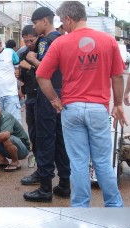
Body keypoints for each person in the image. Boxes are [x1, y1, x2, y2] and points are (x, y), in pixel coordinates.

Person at [36, 1, 126, 207]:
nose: (62, 26)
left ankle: (80, 210)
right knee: (102, 161)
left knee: (78, 162)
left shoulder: (60, 43)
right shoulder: (108, 40)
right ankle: (114, 206)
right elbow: (117, 76)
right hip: (98, 108)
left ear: (69, 18)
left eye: (62, 21)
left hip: (72, 108)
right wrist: (118, 103)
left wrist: (54, 100)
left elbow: (42, 75)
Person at [22, 6, 71, 203]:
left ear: (44, 21)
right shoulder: (62, 39)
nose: (34, 28)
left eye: (35, 23)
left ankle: (44, 188)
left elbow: (44, 68)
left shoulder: (45, 41)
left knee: (45, 139)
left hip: (47, 92)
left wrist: (32, 58)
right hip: (62, 91)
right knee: (60, 139)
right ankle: (65, 183)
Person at [18, 25, 39, 173]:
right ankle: (36, 158)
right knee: (32, 130)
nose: (29, 44)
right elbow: (21, 75)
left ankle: (46, 162)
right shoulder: (22, 53)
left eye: (31, 40)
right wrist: (20, 82)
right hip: (29, 95)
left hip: (44, 95)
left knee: (44, 131)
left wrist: (30, 66)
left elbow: (48, 71)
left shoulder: (43, 51)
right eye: (26, 41)